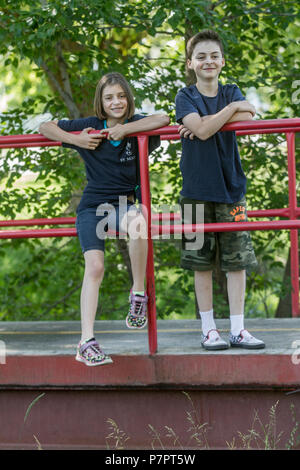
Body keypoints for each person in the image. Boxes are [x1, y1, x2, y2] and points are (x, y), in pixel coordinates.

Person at [39, 72, 169, 366]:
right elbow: (45, 126)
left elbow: (163, 119)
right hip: (92, 206)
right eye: (109, 97)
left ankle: (138, 294)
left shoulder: (139, 124)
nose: (116, 102)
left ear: (128, 99)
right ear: (101, 101)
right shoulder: (90, 126)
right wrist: (76, 140)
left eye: (121, 96)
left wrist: (126, 130)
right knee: (95, 266)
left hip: (124, 205)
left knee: (138, 221)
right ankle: (86, 341)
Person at [175, 30, 265, 350]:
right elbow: (199, 131)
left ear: (222, 61)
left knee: (237, 261)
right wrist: (228, 112)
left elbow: (249, 112)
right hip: (196, 191)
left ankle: (238, 330)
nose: (208, 61)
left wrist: (209, 120)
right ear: (191, 63)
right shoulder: (185, 97)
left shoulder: (230, 90)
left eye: (214, 55)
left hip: (232, 190)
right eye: (201, 56)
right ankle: (209, 329)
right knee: (201, 262)